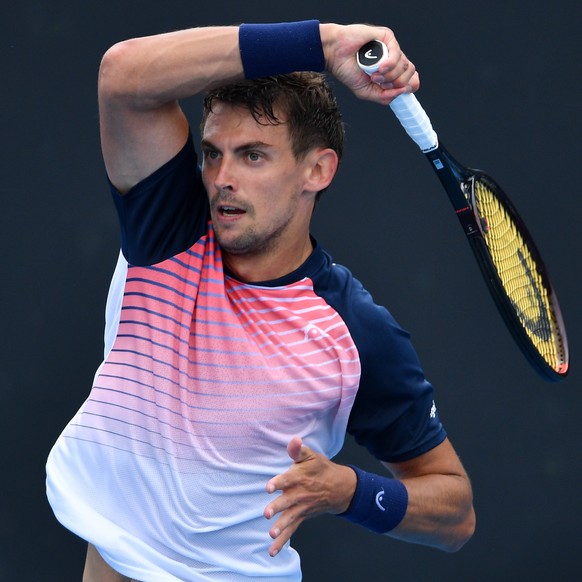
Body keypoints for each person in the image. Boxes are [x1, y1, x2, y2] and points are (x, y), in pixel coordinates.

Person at [46, 20, 475, 582]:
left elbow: (455, 511)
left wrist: (350, 490)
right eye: (211, 153)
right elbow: (122, 74)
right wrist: (325, 44)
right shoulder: (167, 231)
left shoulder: (352, 328)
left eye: (252, 156)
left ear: (317, 170)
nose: (222, 178)